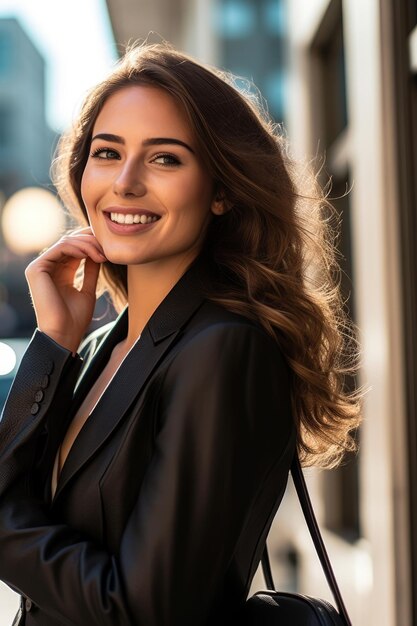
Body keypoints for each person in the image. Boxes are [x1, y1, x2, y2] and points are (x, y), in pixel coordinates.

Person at [0, 43, 362, 626]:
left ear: (221, 190)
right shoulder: (96, 348)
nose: (126, 182)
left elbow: (148, 609)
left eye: (164, 159)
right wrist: (50, 346)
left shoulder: (224, 348)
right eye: (107, 152)